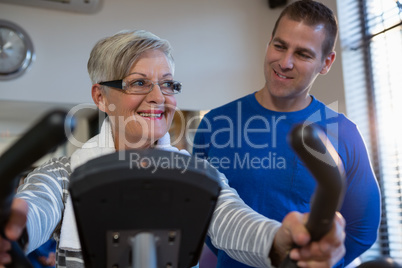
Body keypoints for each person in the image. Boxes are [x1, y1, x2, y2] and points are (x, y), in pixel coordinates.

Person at [0, 29, 345, 268]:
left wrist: (284, 237)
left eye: (168, 84)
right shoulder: (63, 175)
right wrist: (14, 226)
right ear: (101, 97)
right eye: (138, 83)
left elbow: (237, 222)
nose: (158, 97)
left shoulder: (196, 176)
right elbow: (34, 207)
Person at [193, 1, 381, 267]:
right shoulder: (215, 123)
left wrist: (314, 261)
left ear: (326, 62)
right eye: (279, 46)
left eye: (303, 54)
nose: (285, 62)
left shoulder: (342, 132)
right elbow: (202, 213)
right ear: (269, 42)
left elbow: (362, 229)